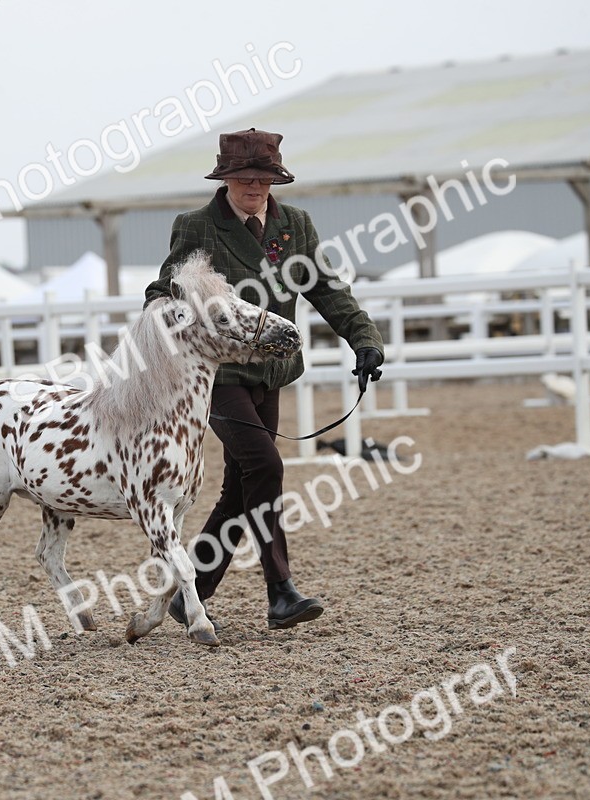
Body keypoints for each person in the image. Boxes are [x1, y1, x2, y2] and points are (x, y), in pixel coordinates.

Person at [144, 127, 385, 631]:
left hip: (269, 371)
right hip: (219, 374)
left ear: (275, 180)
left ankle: (192, 592)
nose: (254, 186)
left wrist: (363, 339)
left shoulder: (294, 224)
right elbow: (168, 285)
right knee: (265, 464)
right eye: (245, 177)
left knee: (242, 484)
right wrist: (164, 310)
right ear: (226, 178)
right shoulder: (198, 226)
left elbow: (326, 288)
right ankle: (281, 591)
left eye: (263, 178)